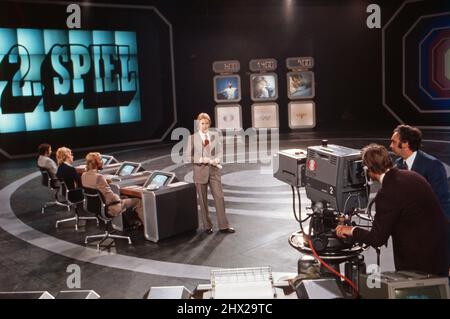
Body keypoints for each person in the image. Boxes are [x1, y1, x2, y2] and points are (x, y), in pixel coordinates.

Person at [336, 144, 448, 276]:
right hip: (441, 253)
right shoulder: (412, 175)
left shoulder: (387, 193)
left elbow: (378, 238)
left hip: (420, 264)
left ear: (368, 169)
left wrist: (351, 230)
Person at [186, 113, 235, 234]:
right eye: (202, 123)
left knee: (219, 197)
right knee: (203, 201)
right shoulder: (192, 138)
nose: (204, 126)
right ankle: (207, 226)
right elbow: (188, 157)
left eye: (207, 123)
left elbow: (219, 151)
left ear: (209, 124)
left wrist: (218, 159)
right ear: (198, 123)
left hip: (214, 171)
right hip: (200, 173)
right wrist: (201, 159)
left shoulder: (214, 136)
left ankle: (224, 226)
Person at [390, 124, 450, 220]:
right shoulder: (398, 163)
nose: (391, 145)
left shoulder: (432, 165)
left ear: (405, 143)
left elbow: (442, 201)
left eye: (393, 142)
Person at [81, 152, 144, 225]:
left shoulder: (84, 175)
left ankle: (132, 223)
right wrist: (118, 198)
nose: (103, 162)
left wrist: (105, 182)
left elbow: (95, 187)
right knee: (138, 201)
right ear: (97, 163)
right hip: (109, 208)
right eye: (101, 160)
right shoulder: (99, 177)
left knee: (125, 197)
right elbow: (110, 198)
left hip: (94, 206)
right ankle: (147, 228)